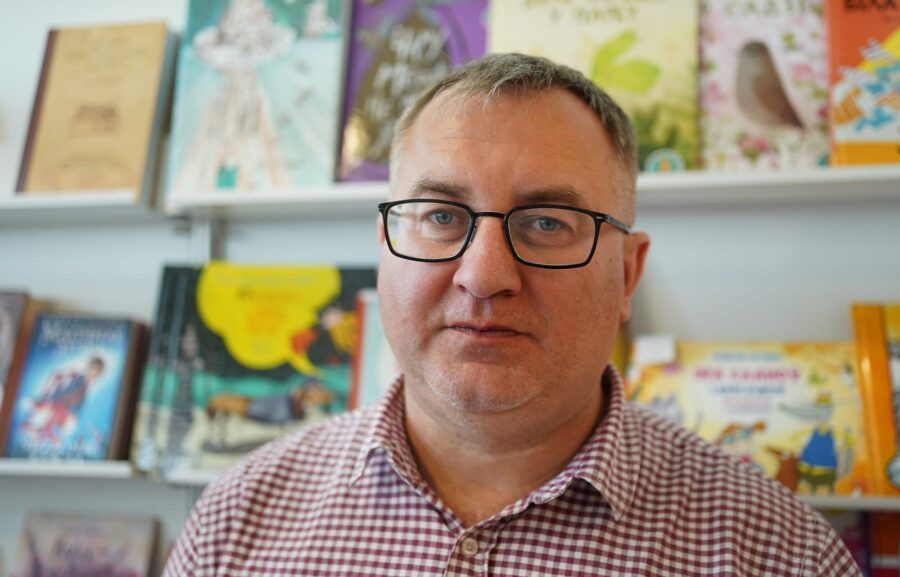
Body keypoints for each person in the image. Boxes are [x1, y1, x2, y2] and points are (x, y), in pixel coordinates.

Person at [164, 53, 861, 576]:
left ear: (627, 273)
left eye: (547, 223)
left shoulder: (780, 551)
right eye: (440, 215)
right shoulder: (237, 522)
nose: (485, 276)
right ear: (385, 247)